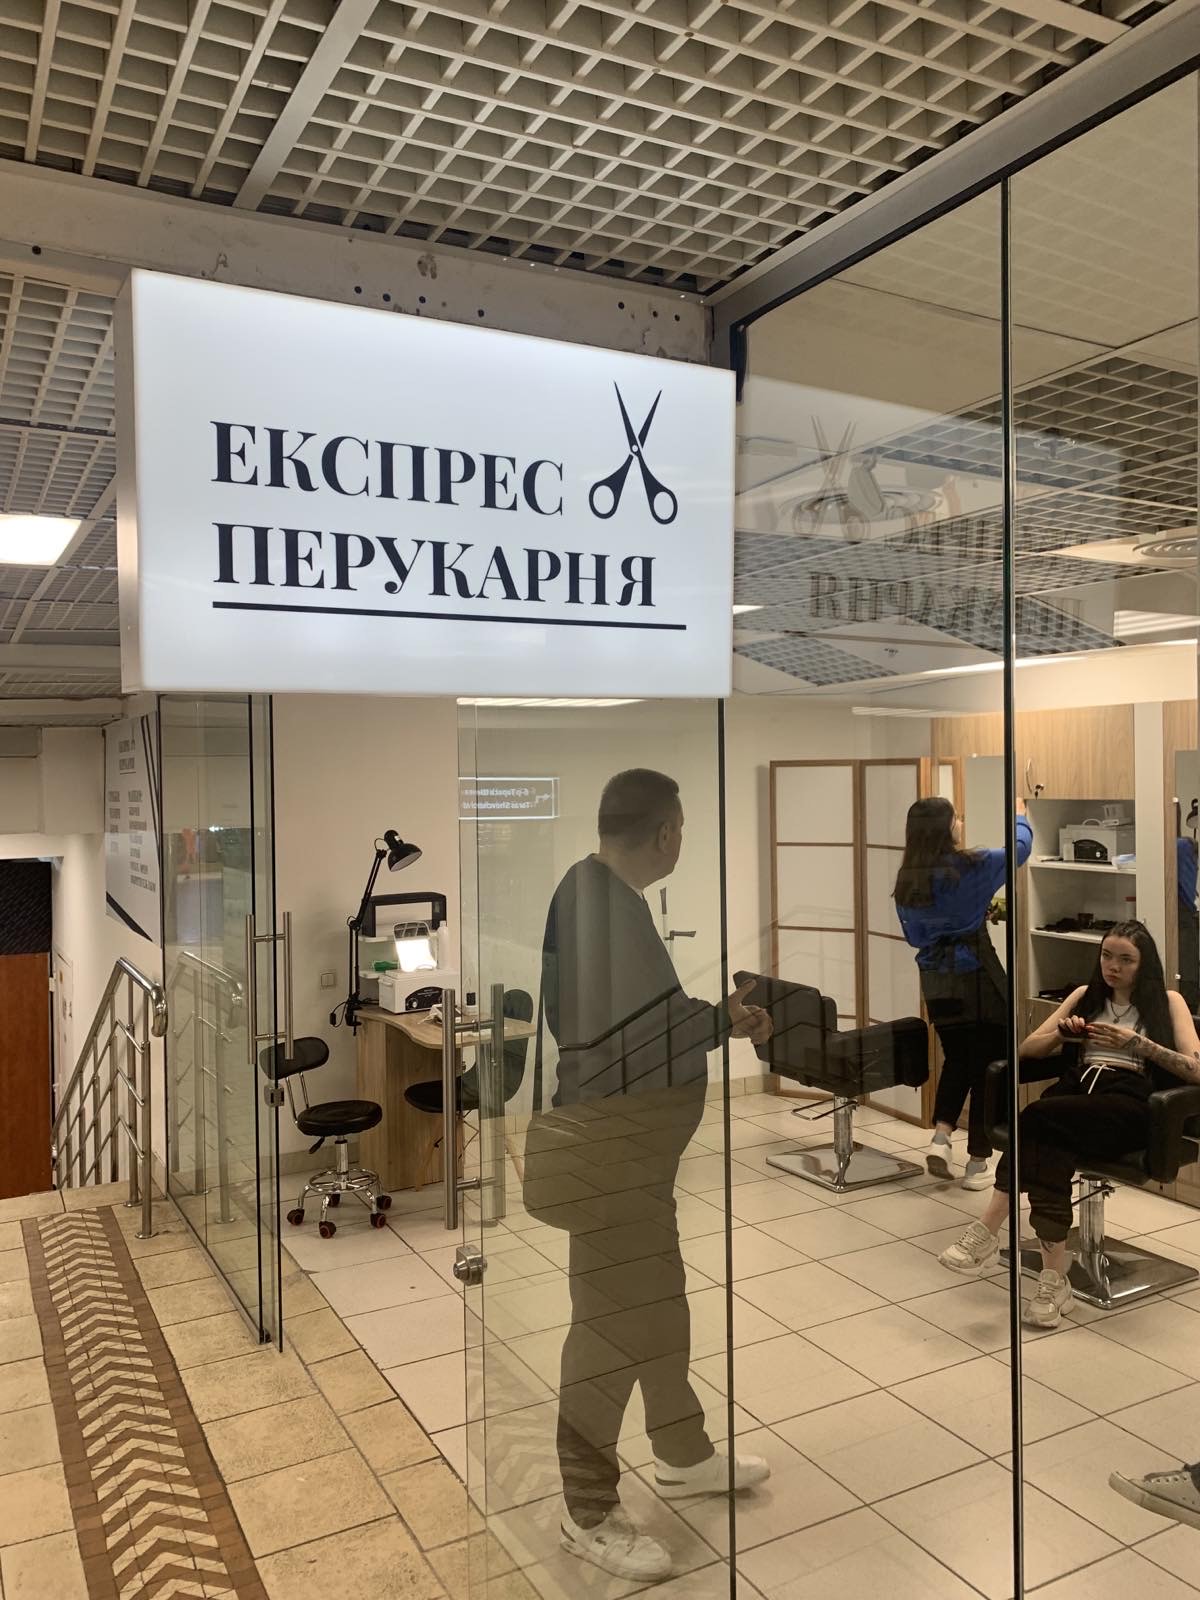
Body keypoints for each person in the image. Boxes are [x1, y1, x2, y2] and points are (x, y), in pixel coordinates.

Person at [524, 768, 772, 1583]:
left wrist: (716, 1021)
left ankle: (682, 1453)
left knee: (659, 1306)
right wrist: (720, 1020)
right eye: (682, 829)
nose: (681, 841)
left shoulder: (599, 895)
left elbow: (635, 1027)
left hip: (633, 1157)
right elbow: (629, 1038)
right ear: (666, 833)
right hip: (607, 1155)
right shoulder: (598, 905)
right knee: (607, 1326)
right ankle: (587, 1508)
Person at [938, 921, 1200, 1328]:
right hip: (1077, 1094)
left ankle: (988, 1227)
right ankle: (1053, 1281)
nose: (1113, 967)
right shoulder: (1084, 995)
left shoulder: (1168, 1002)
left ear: (1145, 964)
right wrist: (1062, 1035)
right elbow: (1027, 1049)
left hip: (1129, 1102)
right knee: (1049, 1150)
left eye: (1126, 960)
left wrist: (1138, 1044)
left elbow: (1196, 1069)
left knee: (1036, 1117)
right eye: (1107, 956)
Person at [894, 795, 1032, 1189]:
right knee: (991, 1066)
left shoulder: (908, 879)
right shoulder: (971, 865)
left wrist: (964, 917)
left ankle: (941, 1137)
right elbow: (1020, 848)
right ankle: (977, 1162)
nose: (960, 822)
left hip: (937, 982)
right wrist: (1020, 815)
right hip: (977, 979)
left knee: (958, 1057)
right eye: (956, 817)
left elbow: (916, 935)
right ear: (946, 827)